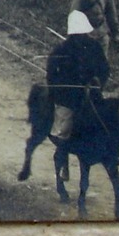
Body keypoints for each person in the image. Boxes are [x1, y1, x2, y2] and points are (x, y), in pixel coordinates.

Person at [46, 10, 110, 142]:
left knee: (103, 120)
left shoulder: (94, 47)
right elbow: (51, 74)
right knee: (63, 131)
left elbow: (104, 68)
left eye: (83, 33)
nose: (81, 37)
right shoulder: (62, 49)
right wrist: (58, 91)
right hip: (68, 96)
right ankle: (62, 153)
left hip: (91, 93)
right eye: (78, 34)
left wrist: (98, 83)